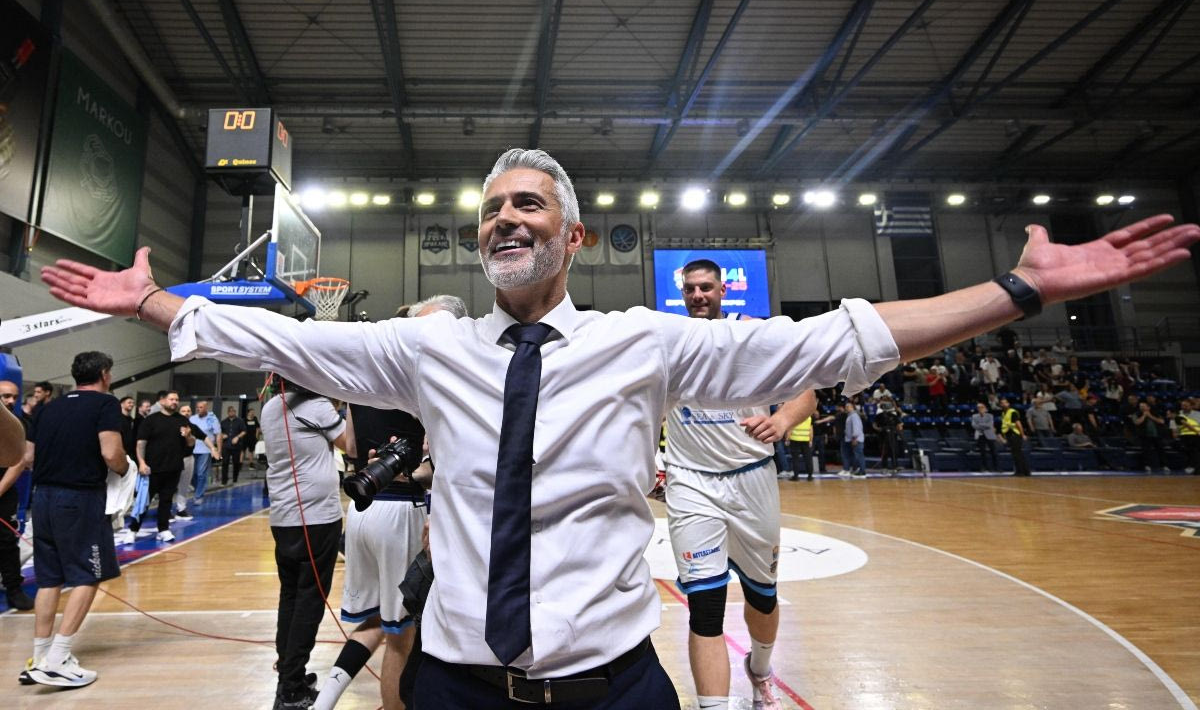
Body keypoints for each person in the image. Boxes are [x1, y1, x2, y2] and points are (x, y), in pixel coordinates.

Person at [41, 148, 1199, 708]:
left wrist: (1018, 290)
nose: (504, 218)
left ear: (573, 238)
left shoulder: (645, 342)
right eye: (492, 207)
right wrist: (156, 304)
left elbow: (837, 338)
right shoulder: (428, 347)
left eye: (528, 204)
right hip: (453, 687)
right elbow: (282, 340)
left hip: (613, 691)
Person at [663, 258, 814, 710]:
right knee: (705, 606)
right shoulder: (669, 340)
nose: (698, 295)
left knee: (762, 597)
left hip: (752, 479)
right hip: (691, 481)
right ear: (682, 293)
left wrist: (783, 420)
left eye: (706, 287)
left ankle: (760, 670)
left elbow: (805, 392)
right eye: (691, 288)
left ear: (722, 290)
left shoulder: (753, 333)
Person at [314, 294, 465, 710]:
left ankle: (323, 703)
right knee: (401, 635)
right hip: (401, 509)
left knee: (374, 621)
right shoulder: (417, 380)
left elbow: (350, 446)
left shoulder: (360, 381)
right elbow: (441, 455)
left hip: (362, 506)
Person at [22, 352, 128, 688]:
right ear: (104, 374)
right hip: (80, 499)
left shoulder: (47, 408)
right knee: (88, 574)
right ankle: (57, 659)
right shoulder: (106, 404)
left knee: (49, 578)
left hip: (42, 498)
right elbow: (111, 453)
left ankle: (39, 658)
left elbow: (28, 457)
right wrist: (125, 469)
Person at [260, 376, 348, 710]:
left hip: (284, 519)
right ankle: (291, 688)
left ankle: (289, 675)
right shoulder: (317, 406)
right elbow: (351, 445)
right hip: (315, 520)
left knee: (291, 597)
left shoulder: (271, 407)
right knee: (310, 601)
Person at [133, 391, 191, 541]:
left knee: (166, 500)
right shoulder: (151, 420)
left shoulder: (182, 420)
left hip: (173, 467)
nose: (174, 402)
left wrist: (188, 435)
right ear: (163, 401)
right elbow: (141, 443)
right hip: (152, 468)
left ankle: (163, 529)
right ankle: (133, 529)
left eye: (177, 399)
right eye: (171, 399)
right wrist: (142, 463)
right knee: (144, 501)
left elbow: (191, 443)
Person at [0, 381, 34, 610]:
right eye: (5, 396)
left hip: (4, 491)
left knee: (6, 541)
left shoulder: (19, 425)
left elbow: (19, 461)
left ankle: (13, 588)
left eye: (14, 396)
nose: (11, 401)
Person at [184, 400, 221, 507]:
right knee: (192, 474)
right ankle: (198, 489)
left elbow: (218, 435)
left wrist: (218, 450)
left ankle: (198, 496)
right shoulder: (192, 419)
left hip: (205, 450)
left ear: (206, 408)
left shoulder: (212, 419)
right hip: (192, 450)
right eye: (197, 407)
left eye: (201, 407)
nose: (198, 409)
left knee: (201, 473)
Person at [1131, 401, 1168, 474]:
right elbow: (1137, 422)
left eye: (1143, 406)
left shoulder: (1155, 413)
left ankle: (1164, 465)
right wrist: (1144, 415)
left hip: (1156, 435)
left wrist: (1150, 416)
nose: (1141, 408)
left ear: (1148, 407)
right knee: (1146, 451)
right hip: (1144, 436)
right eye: (1140, 406)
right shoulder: (1136, 414)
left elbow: (1162, 421)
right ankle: (1147, 465)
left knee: (1160, 450)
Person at [999, 397, 1031, 476]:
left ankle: (1021, 472)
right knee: (1016, 454)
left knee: (1017, 454)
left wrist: (1023, 434)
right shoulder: (1003, 413)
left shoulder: (1012, 412)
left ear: (1008, 404)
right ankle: (1024, 471)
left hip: (1015, 434)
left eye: (1005, 402)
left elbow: (1018, 424)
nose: (1003, 404)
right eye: (1002, 403)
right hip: (1009, 435)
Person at [220, 405, 248, 484]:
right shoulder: (223, 422)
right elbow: (219, 432)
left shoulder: (240, 421)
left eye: (233, 411)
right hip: (226, 445)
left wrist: (237, 437)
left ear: (235, 412)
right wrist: (222, 435)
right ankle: (224, 480)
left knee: (236, 463)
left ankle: (235, 479)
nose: (231, 412)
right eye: (230, 411)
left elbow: (244, 431)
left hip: (236, 446)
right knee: (225, 462)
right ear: (228, 412)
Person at [970, 402, 1000, 472]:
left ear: (985, 408)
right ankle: (984, 467)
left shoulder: (990, 416)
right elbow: (974, 425)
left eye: (981, 407)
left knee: (994, 452)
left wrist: (980, 424)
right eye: (978, 408)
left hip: (990, 435)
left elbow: (989, 425)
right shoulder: (974, 416)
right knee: (982, 452)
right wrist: (984, 425)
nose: (980, 409)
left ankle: (996, 467)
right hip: (980, 435)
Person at [842, 399, 866, 478]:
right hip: (852, 439)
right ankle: (858, 470)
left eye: (847, 407)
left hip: (856, 439)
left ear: (852, 407)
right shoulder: (850, 416)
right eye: (846, 407)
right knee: (856, 455)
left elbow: (856, 427)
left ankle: (862, 472)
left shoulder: (854, 416)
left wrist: (855, 438)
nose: (846, 408)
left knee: (859, 455)